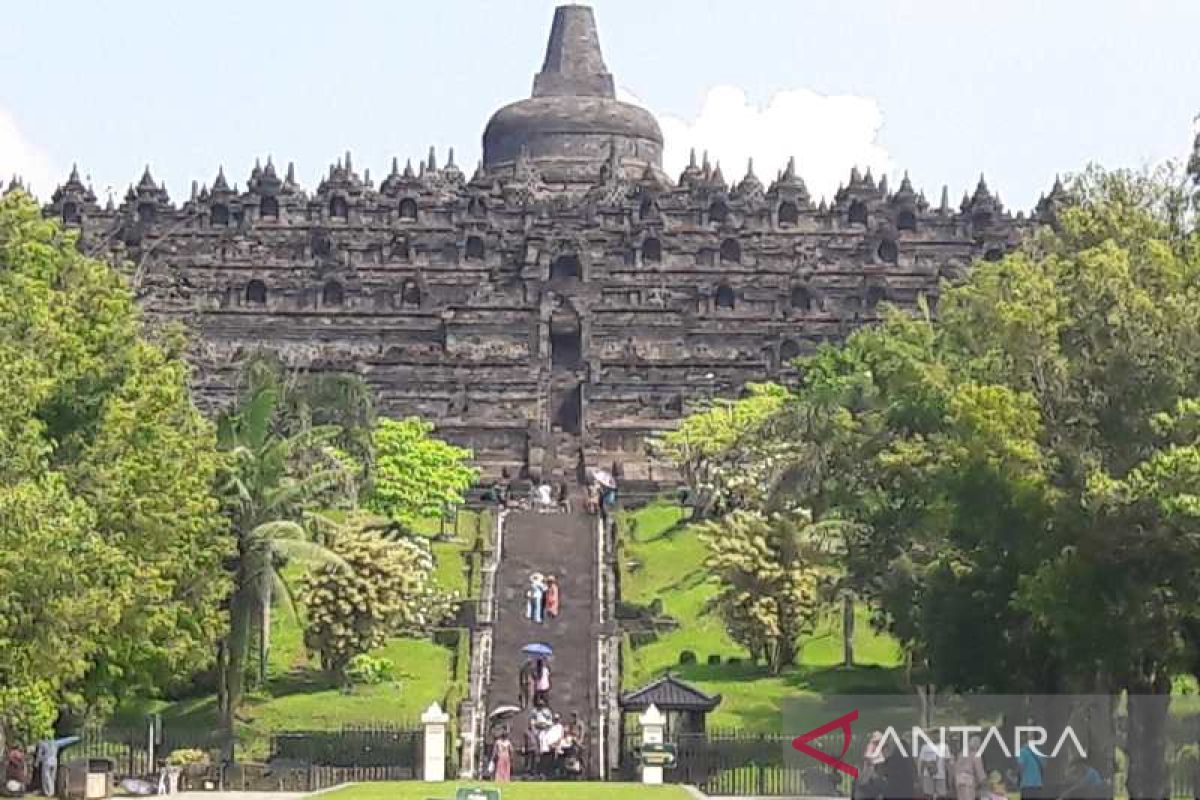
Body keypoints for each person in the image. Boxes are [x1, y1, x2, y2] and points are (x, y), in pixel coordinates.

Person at [953, 736, 988, 800]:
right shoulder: (976, 755)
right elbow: (979, 770)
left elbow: (956, 767)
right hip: (968, 780)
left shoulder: (961, 753)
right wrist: (983, 781)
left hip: (958, 779)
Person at [539, 713, 565, 778]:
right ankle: (547, 773)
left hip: (557, 746)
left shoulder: (560, 727)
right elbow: (548, 735)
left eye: (557, 719)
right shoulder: (552, 726)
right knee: (548, 760)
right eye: (555, 719)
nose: (556, 720)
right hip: (549, 746)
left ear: (560, 719)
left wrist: (556, 744)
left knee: (556, 760)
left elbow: (561, 737)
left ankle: (555, 774)